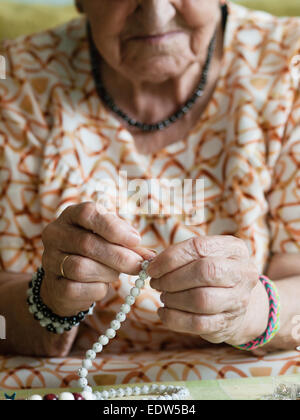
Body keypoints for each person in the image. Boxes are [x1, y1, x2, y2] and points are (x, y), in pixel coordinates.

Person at [0, 0, 299, 367]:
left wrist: (251, 309)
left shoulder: (289, 63)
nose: (157, 13)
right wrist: (47, 300)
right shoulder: (17, 77)